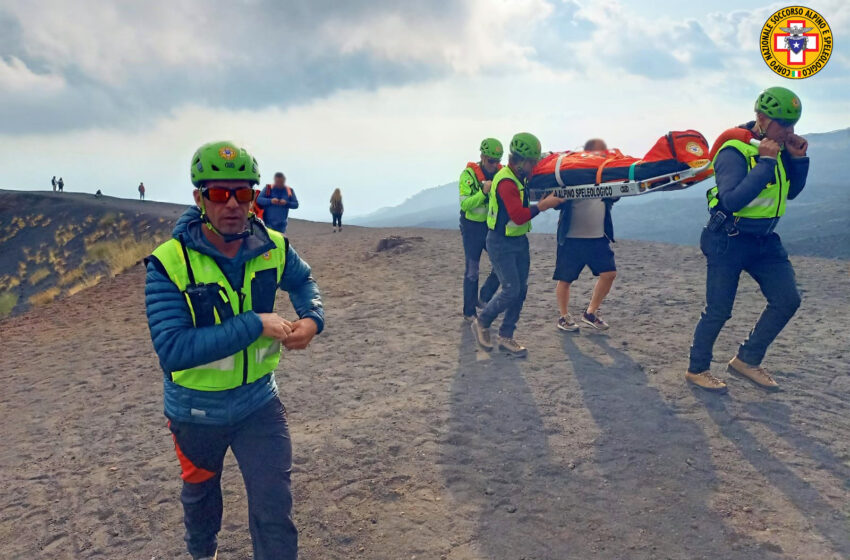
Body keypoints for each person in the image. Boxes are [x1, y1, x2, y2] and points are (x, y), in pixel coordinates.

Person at [144, 141, 324, 560]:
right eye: (219, 193)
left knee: (274, 508)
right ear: (199, 198)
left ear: (254, 197)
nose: (232, 204)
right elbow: (173, 349)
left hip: (259, 404)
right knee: (202, 504)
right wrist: (255, 323)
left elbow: (303, 281)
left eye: (243, 193)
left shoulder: (273, 245)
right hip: (194, 411)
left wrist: (313, 318)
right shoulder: (169, 263)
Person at [686, 87, 809, 394]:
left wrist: (798, 160)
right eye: (782, 124)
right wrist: (767, 162)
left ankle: (747, 359)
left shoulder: (774, 146)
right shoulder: (735, 150)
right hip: (728, 238)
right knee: (719, 309)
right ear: (761, 118)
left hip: (764, 241)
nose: (788, 131)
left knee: (787, 299)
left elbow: (790, 192)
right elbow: (731, 200)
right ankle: (697, 370)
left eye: (792, 124)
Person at [471, 132, 564, 356]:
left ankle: (506, 336)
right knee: (511, 289)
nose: (533, 167)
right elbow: (519, 215)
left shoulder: (519, 176)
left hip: (518, 241)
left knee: (521, 290)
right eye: (531, 162)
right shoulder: (505, 182)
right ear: (520, 160)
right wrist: (543, 206)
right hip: (500, 243)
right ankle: (482, 322)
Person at [554, 138, 618, 332]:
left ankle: (590, 312)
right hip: (571, 238)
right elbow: (556, 201)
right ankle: (564, 317)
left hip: (597, 237)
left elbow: (615, 195)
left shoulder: (603, 176)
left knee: (609, 274)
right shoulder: (571, 174)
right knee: (565, 280)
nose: (599, 156)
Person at [459, 138, 502, 321]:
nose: (494, 165)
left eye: (497, 161)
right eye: (490, 161)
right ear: (482, 157)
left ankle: (484, 296)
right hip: (471, 227)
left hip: (491, 226)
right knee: (472, 270)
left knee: (501, 264)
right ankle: (469, 312)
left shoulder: (501, 174)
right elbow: (465, 204)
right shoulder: (468, 175)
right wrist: (483, 192)